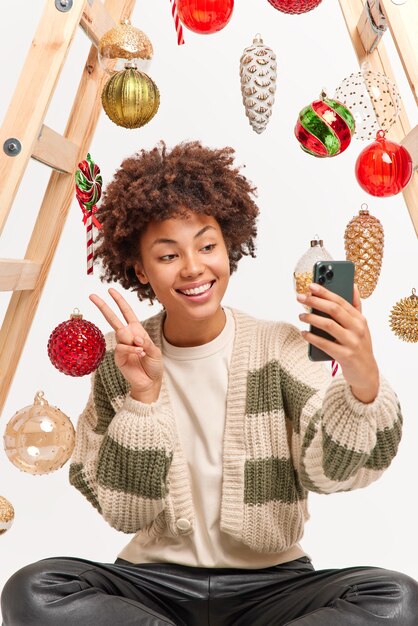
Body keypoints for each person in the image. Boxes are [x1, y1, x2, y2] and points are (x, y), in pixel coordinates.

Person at [2, 141, 417, 626]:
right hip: (152, 585)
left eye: (206, 246)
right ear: (140, 269)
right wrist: (143, 398)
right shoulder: (121, 362)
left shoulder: (278, 347)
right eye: (168, 254)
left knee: (398, 598)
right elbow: (124, 513)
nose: (194, 267)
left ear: (229, 248)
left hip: (274, 584)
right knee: (32, 590)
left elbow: (332, 474)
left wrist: (362, 378)